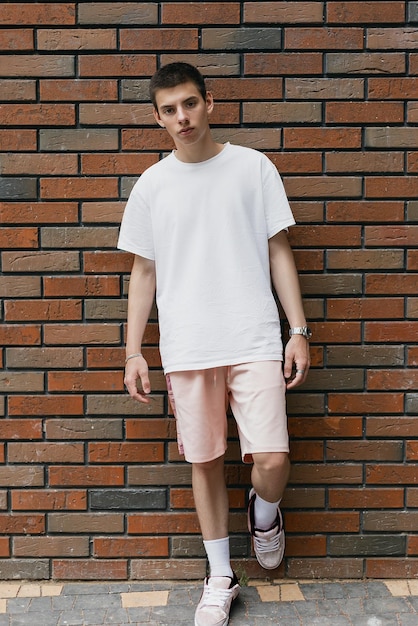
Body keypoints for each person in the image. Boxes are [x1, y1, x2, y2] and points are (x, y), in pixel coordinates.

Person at [118, 62, 311, 626]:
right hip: (188, 345)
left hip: (254, 338)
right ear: (158, 118)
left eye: (190, 104)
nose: (182, 117)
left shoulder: (253, 168)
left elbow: (279, 250)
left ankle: (265, 511)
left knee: (272, 459)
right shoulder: (153, 185)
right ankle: (221, 576)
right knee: (204, 461)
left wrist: (296, 330)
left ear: (209, 103)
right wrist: (134, 350)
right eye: (170, 110)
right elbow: (143, 272)